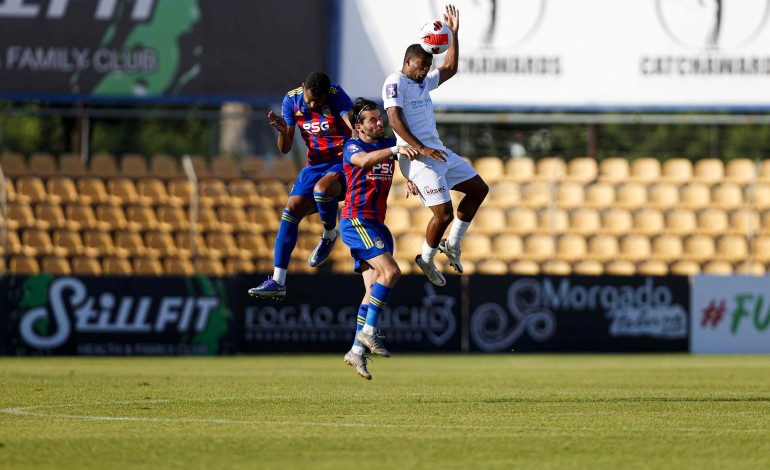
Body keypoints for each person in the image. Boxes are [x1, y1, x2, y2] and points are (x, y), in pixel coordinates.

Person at [382, 4, 488, 286]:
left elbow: (450, 67)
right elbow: (394, 119)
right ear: (408, 62)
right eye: (422, 66)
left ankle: (452, 244)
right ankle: (426, 259)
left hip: (437, 152)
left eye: (428, 66)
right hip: (418, 157)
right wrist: (421, 148)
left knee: (479, 189)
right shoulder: (396, 82)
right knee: (444, 214)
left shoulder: (422, 83)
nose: (425, 70)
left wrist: (453, 34)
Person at [248, 71, 353, 300]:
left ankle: (328, 234)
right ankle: (278, 280)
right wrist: (283, 133)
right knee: (291, 208)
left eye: (319, 100)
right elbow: (285, 148)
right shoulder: (291, 100)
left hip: (342, 160)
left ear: (327, 94)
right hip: (315, 164)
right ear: (303, 86)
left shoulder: (338, 96)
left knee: (323, 190)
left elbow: (353, 129)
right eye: (310, 99)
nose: (313, 104)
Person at [340, 98, 419, 380]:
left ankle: (355, 351)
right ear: (358, 127)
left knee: (372, 288)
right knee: (392, 271)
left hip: (376, 224)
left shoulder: (384, 146)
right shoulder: (354, 146)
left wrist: (409, 179)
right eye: (372, 120)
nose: (378, 123)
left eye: (378, 118)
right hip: (356, 221)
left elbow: (394, 163)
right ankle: (370, 333)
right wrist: (394, 150)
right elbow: (362, 161)